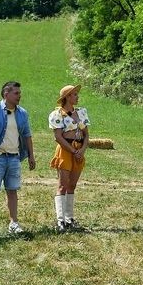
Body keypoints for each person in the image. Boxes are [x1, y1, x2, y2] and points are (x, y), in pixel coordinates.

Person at [0, 81, 35, 237]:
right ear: (6, 94)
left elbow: (27, 135)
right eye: (16, 93)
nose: (19, 96)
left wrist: (31, 155)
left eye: (19, 93)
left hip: (14, 157)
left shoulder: (22, 113)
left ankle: (13, 223)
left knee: (12, 191)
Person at [50, 84, 90, 231]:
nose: (77, 97)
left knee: (72, 185)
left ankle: (69, 217)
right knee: (62, 185)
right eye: (74, 94)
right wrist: (73, 151)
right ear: (67, 97)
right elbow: (58, 137)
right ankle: (60, 220)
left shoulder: (81, 112)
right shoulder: (57, 114)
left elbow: (86, 134)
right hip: (66, 150)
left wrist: (82, 150)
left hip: (79, 150)